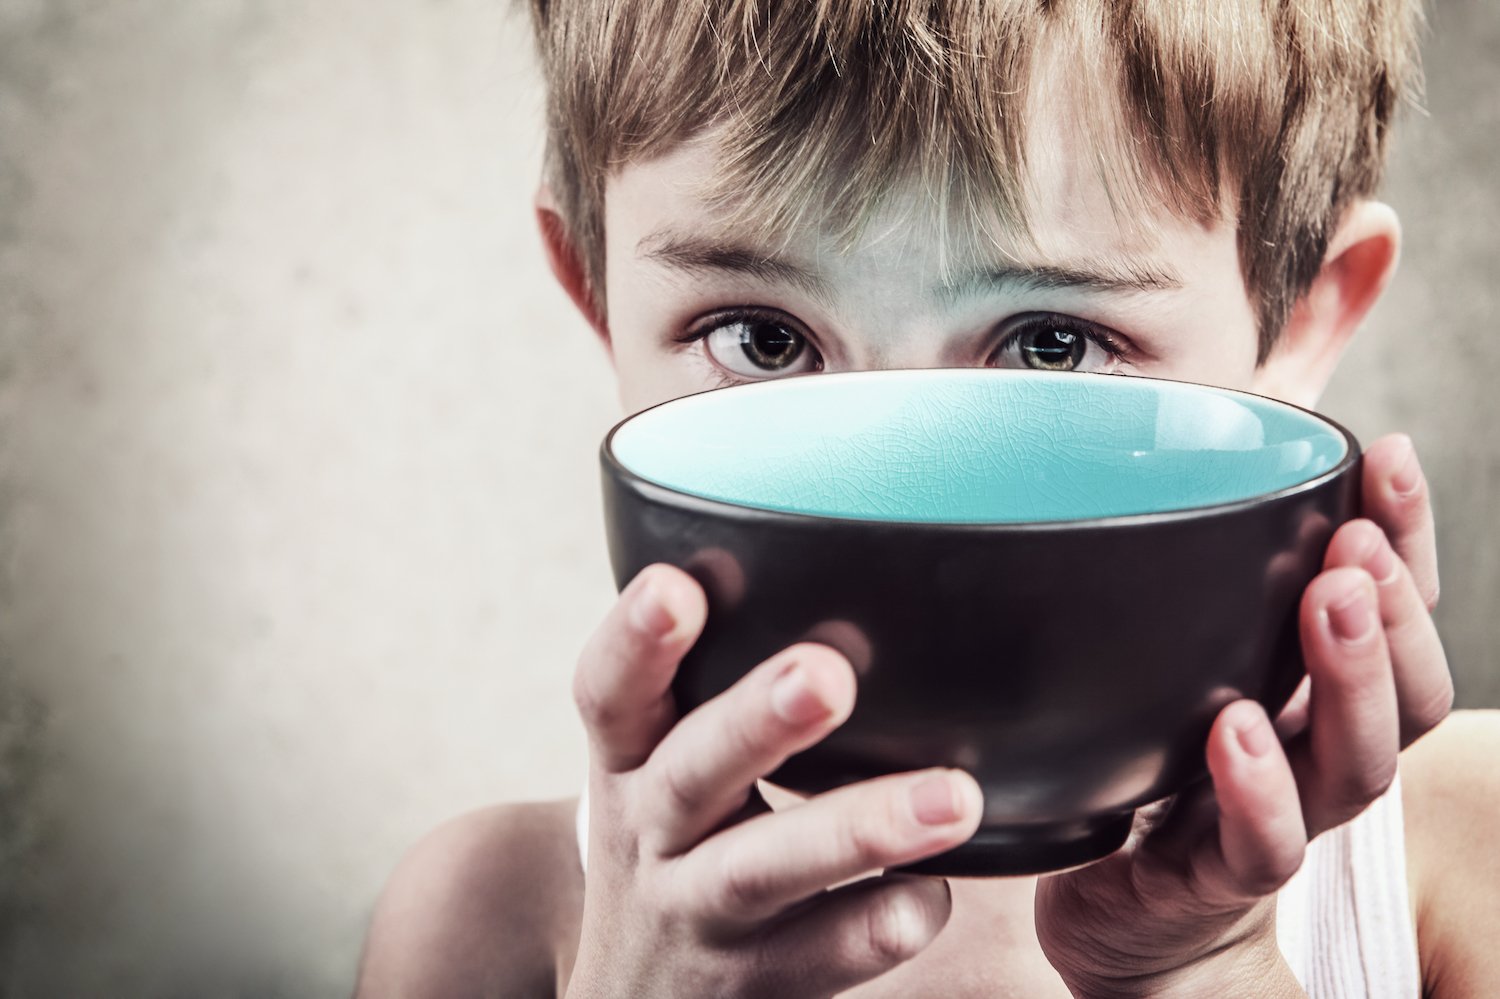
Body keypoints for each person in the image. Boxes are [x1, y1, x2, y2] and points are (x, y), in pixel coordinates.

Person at [354, 1, 1499, 995]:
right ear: (599, 303)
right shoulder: (486, 927)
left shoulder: (1461, 853)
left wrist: (1203, 971)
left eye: (1052, 345)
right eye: (761, 339)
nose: (893, 484)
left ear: (1304, 323)